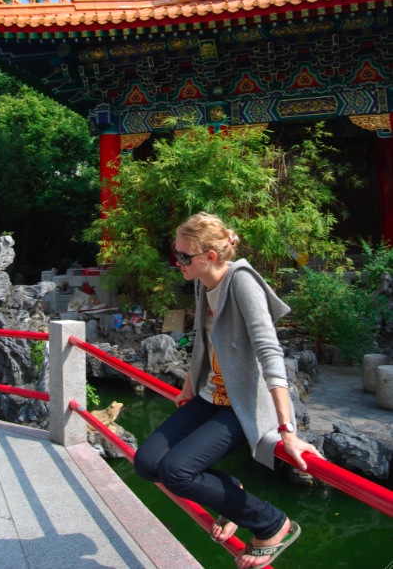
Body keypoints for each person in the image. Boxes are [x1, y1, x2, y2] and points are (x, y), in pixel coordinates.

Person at [133, 212, 323, 569]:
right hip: (210, 396)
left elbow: (270, 353)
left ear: (210, 256)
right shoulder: (202, 281)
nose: (178, 262)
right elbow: (204, 341)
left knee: (177, 471)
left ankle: (270, 523)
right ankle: (230, 493)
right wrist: (189, 386)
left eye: (184, 256)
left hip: (242, 403)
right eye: (176, 253)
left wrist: (288, 431)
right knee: (146, 463)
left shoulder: (242, 283)